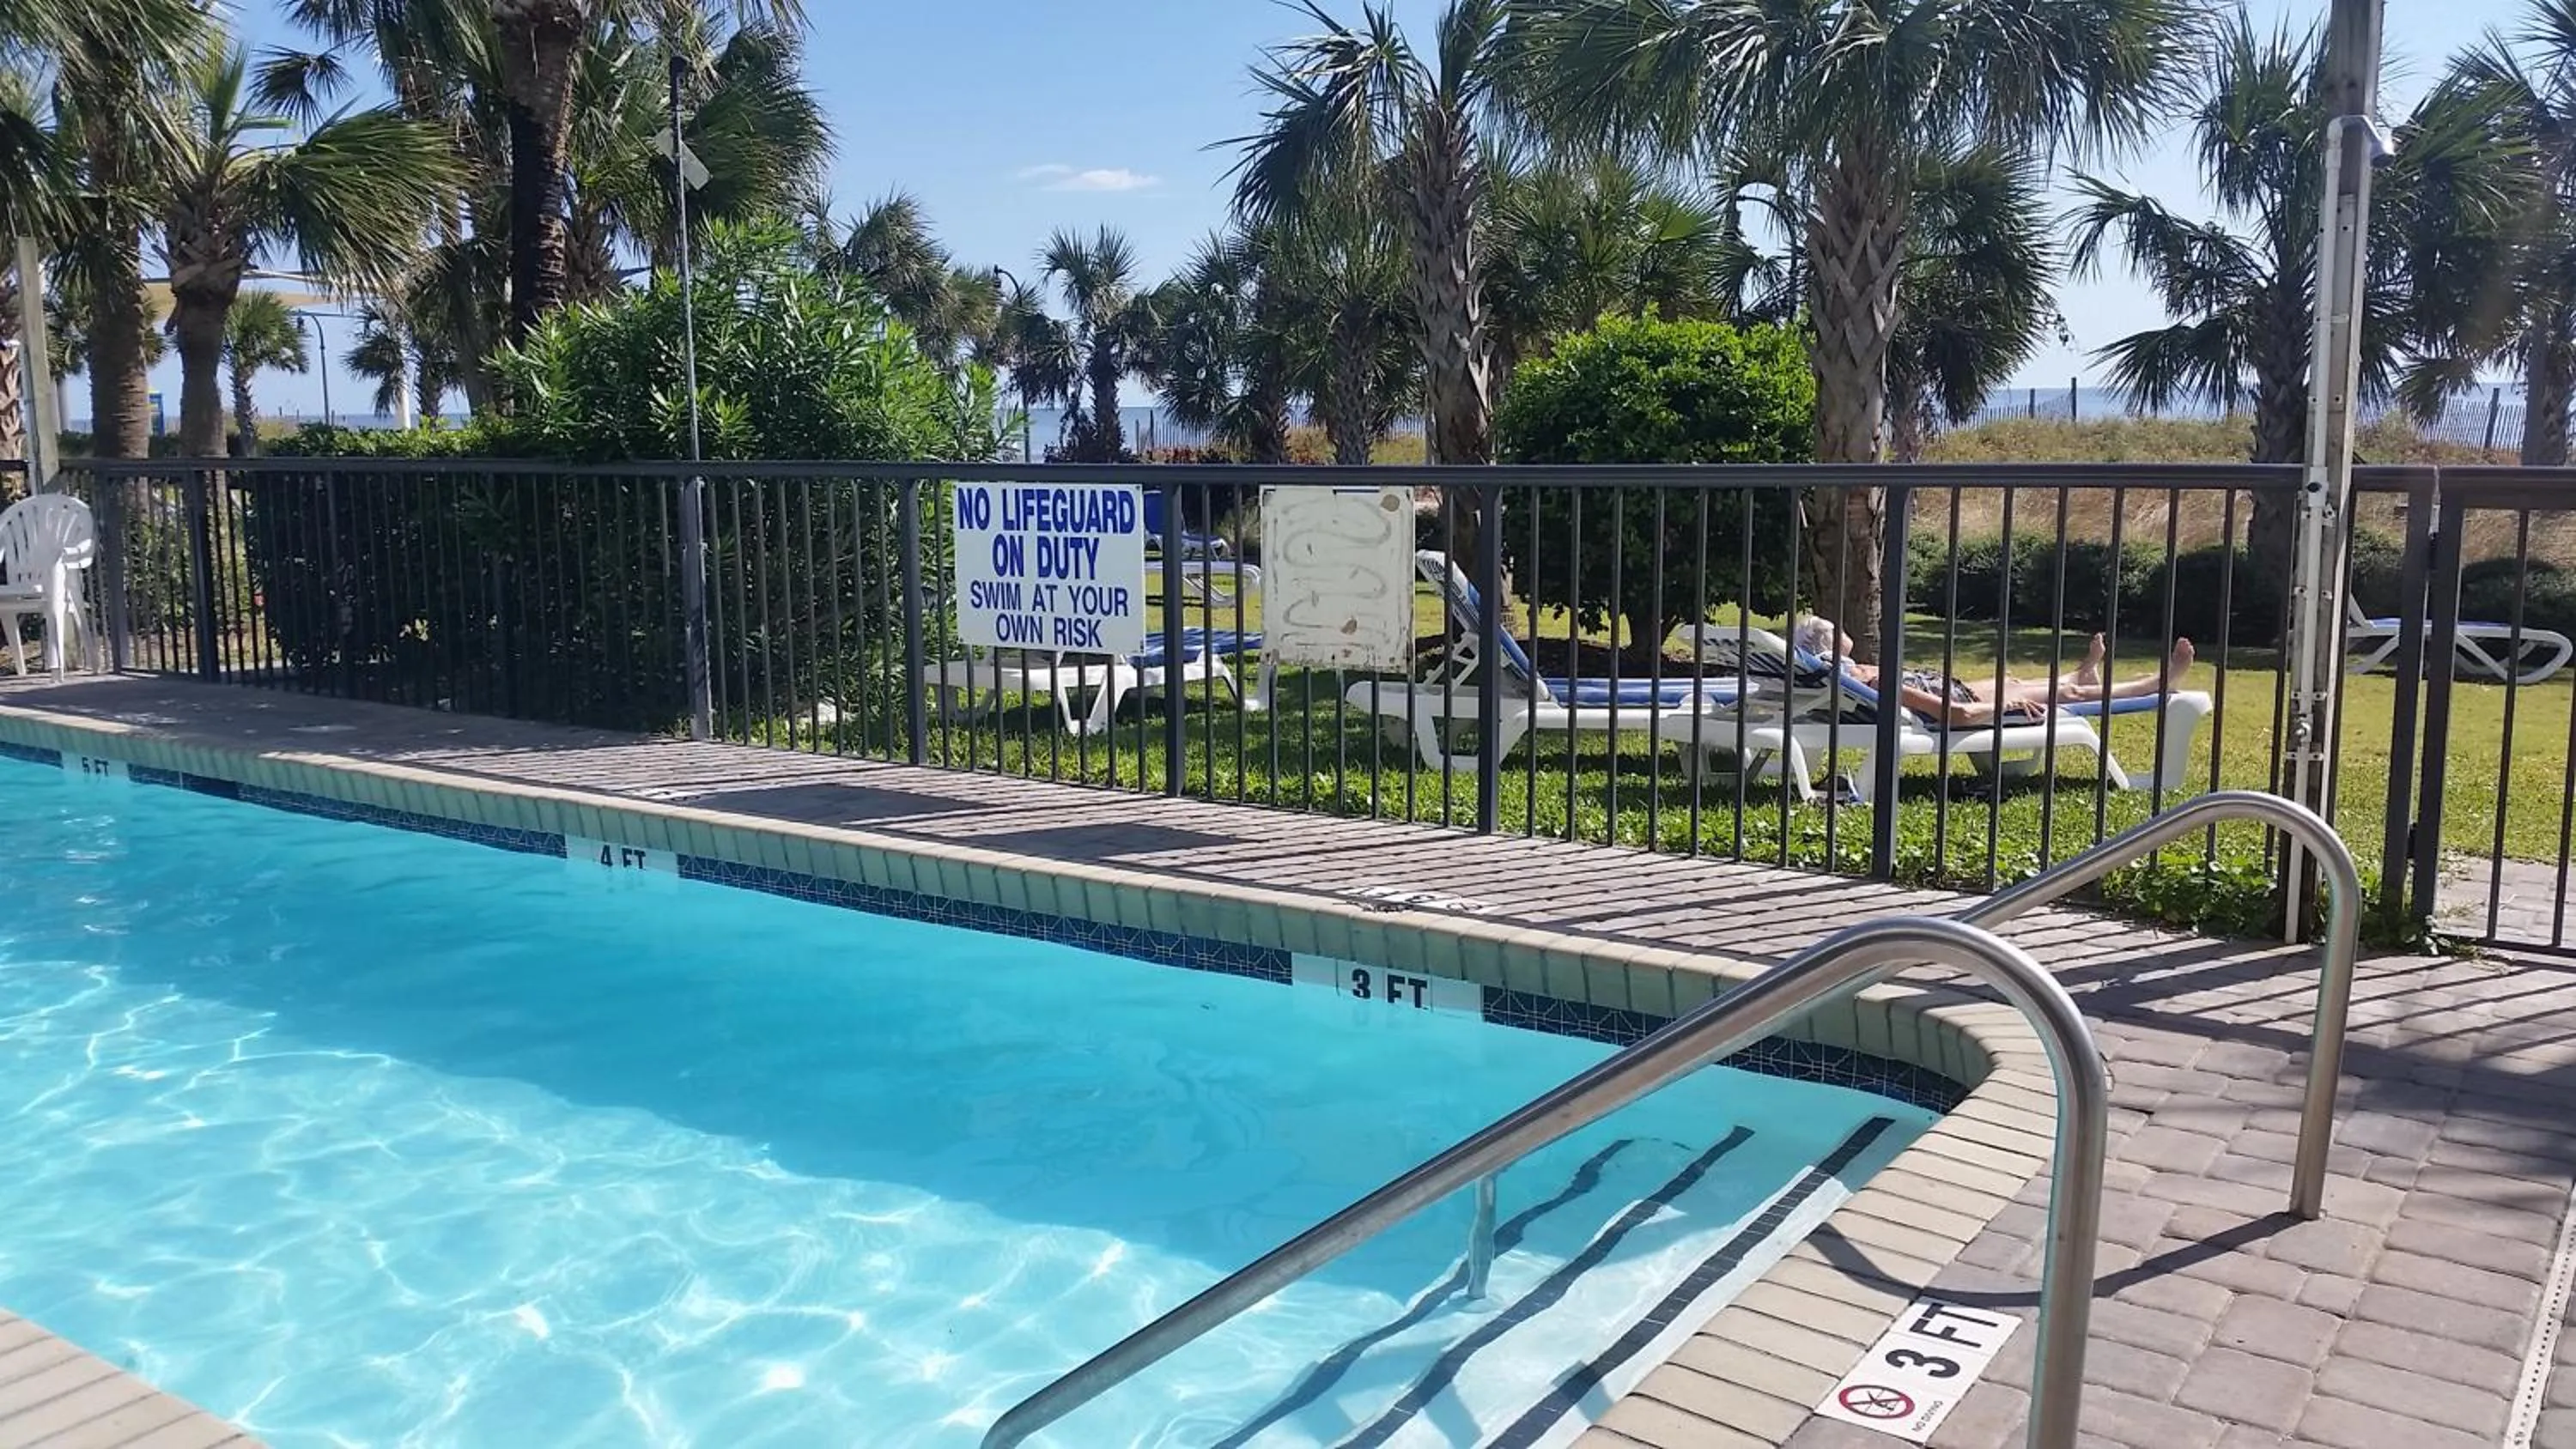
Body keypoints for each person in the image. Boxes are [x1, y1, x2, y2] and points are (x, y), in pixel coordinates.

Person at [1789, 615, 2193, 727]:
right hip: (1960, 701)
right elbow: (1957, 715)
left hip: (1954, 687)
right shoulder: (1878, 683)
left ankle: (2080, 673)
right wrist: (2006, 707)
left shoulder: (1852, 678)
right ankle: (2154, 684)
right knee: (2066, 699)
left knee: (2012, 679)